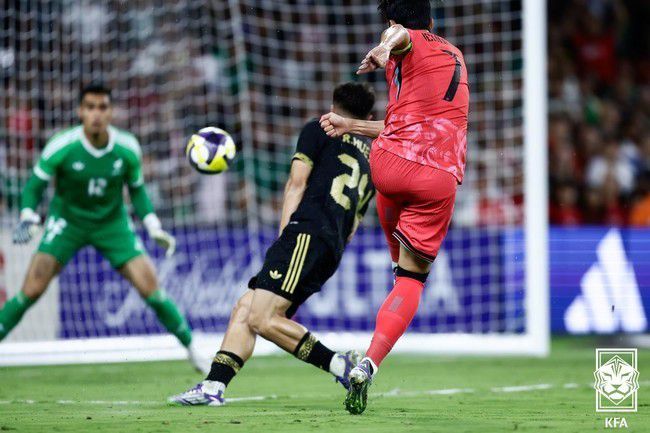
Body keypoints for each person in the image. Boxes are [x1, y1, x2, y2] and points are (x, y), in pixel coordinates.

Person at [169, 82, 376, 406]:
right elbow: (354, 225)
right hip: (331, 247)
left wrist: (286, 236)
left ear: (332, 108)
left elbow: (296, 183)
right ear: (369, 118)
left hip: (305, 235)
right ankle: (213, 386)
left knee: (262, 318)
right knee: (246, 308)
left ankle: (341, 364)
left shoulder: (320, 128)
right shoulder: (373, 157)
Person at [320, 0, 469, 414]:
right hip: (436, 176)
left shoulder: (403, 39)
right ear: (432, 21)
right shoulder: (455, 55)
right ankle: (368, 364)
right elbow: (400, 35)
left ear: (390, 20)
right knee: (411, 280)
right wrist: (388, 45)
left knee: (399, 273)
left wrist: (351, 125)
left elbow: (400, 36)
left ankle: (393, 283)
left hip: (388, 165)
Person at [0, 83, 206, 373]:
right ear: (80, 112)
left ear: (111, 112)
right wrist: (27, 215)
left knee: (151, 288)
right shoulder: (62, 146)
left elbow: (137, 190)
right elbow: (34, 186)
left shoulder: (127, 148)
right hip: (67, 222)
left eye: (102, 107)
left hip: (112, 223)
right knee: (31, 290)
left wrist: (153, 226)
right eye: (90, 107)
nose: (96, 114)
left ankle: (192, 347)